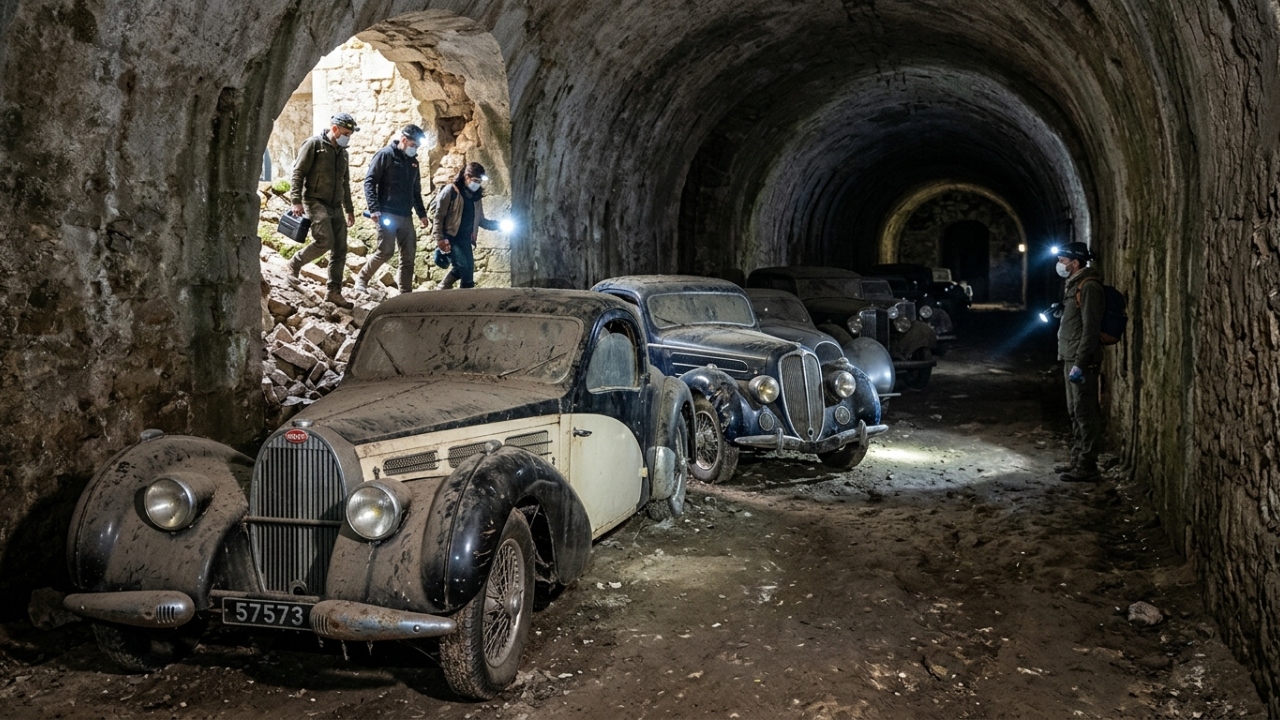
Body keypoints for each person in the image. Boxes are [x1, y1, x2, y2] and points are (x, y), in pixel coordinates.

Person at [288, 112, 359, 309]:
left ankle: (334, 292)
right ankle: (295, 263)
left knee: (341, 248)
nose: (348, 137)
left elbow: (345, 183)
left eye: (350, 134)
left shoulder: (343, 153)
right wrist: (296, 200)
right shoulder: (314, 145)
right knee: (325, 240)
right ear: (334, 129)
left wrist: (349, 209)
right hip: (314, 201)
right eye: (346, 133)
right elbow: (298, 172)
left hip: (335, 205)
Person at [356, 124, 429, 294]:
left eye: (417, 146)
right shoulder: (385, 155)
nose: (415, 149)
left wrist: (421, 214)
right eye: (413, 145)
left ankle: (405, 293)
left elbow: (415, 191)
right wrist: (374, 208)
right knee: (385, 251)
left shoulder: (413, 163)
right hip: (386, 213)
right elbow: (369, 182)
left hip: (406, 215)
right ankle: (362, 279)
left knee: (409, 255)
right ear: (403, 140)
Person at [1054, 241, 1105, 482]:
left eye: (1062, 261)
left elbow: (1090, 330)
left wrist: (1080, 362)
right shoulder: (1074, 286)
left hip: (1080, 360)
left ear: (1075, 263)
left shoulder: (1089, 287)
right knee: (1075, 411)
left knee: (1085, 412)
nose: (1059, 265)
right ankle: (1077, 459)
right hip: (1070, 356)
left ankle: (1088, 465)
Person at [433, 162, 500, 289]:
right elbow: (438, 216)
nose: (477, 184)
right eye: (475, 180)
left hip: (465, 239)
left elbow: (480, 220)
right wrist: (439, 238)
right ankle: (452, 289)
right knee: (462, 266)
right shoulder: (451, 191)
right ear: (466, 177)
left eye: (479, 181)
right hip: (451, 237)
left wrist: (498, 225)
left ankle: (446, 287)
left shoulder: (476, 197)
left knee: (468, 269)